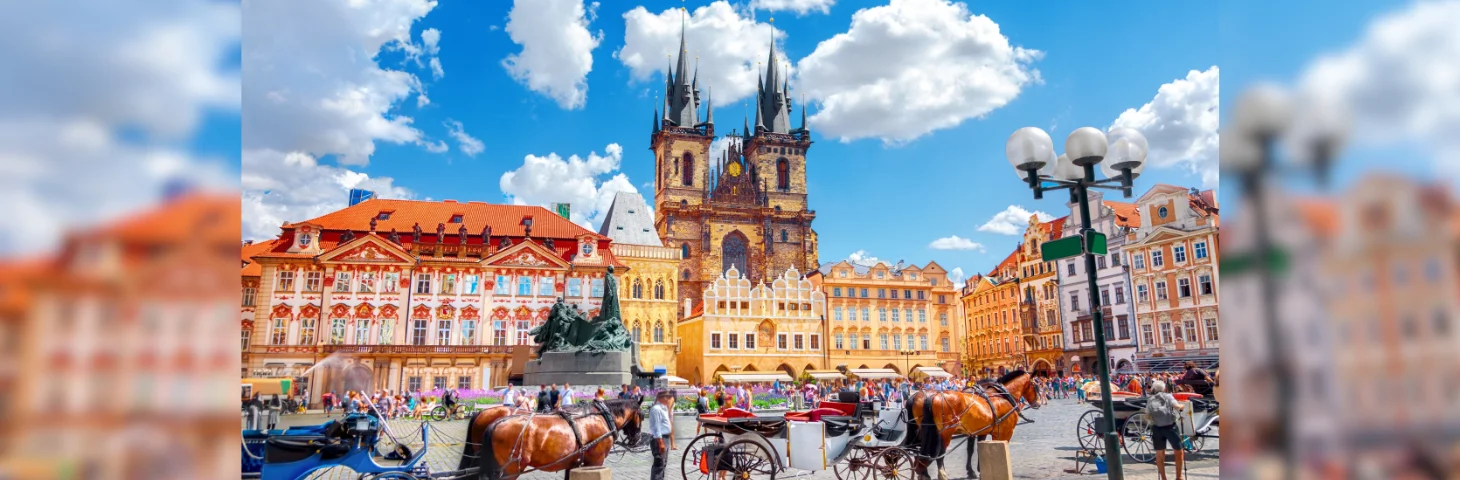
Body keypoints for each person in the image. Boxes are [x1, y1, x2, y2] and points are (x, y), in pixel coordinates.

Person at [1144, 381, 1186, 480]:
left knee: (1159, 453)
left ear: (1153, 389)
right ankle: (1179, 476)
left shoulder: (1150, 399)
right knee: (1178, 450)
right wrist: (1182, 406)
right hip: (1170, 427)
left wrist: (1153, 421)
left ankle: (1163, 477)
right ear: (1164, 388)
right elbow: (1177, 406)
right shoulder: (1168, 396)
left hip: (1157, 428)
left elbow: (1146, 415)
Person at [646, 390, 675, 480]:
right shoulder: (656, 409)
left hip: (664, 437)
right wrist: (660, 442)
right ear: (662, 398)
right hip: (659, 438)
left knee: (662, 463)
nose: (669, 400)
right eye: (668, 398)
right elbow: (657, 427)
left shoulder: (663, 408)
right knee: (659, 464)